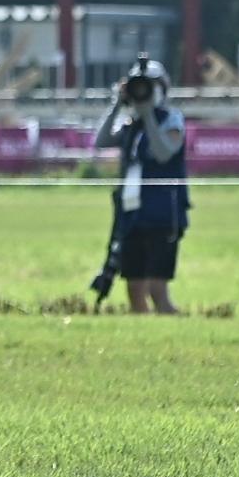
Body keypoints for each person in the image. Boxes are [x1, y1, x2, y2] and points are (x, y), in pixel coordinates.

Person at [92, 55, 189, 314]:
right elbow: (100, 142)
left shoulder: (171, 120)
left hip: (162, 214)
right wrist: (118, 104)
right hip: (133, 215)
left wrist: (148, 116)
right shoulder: (131, 125)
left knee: (157, 289)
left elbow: (163, 153)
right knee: (134, 289)